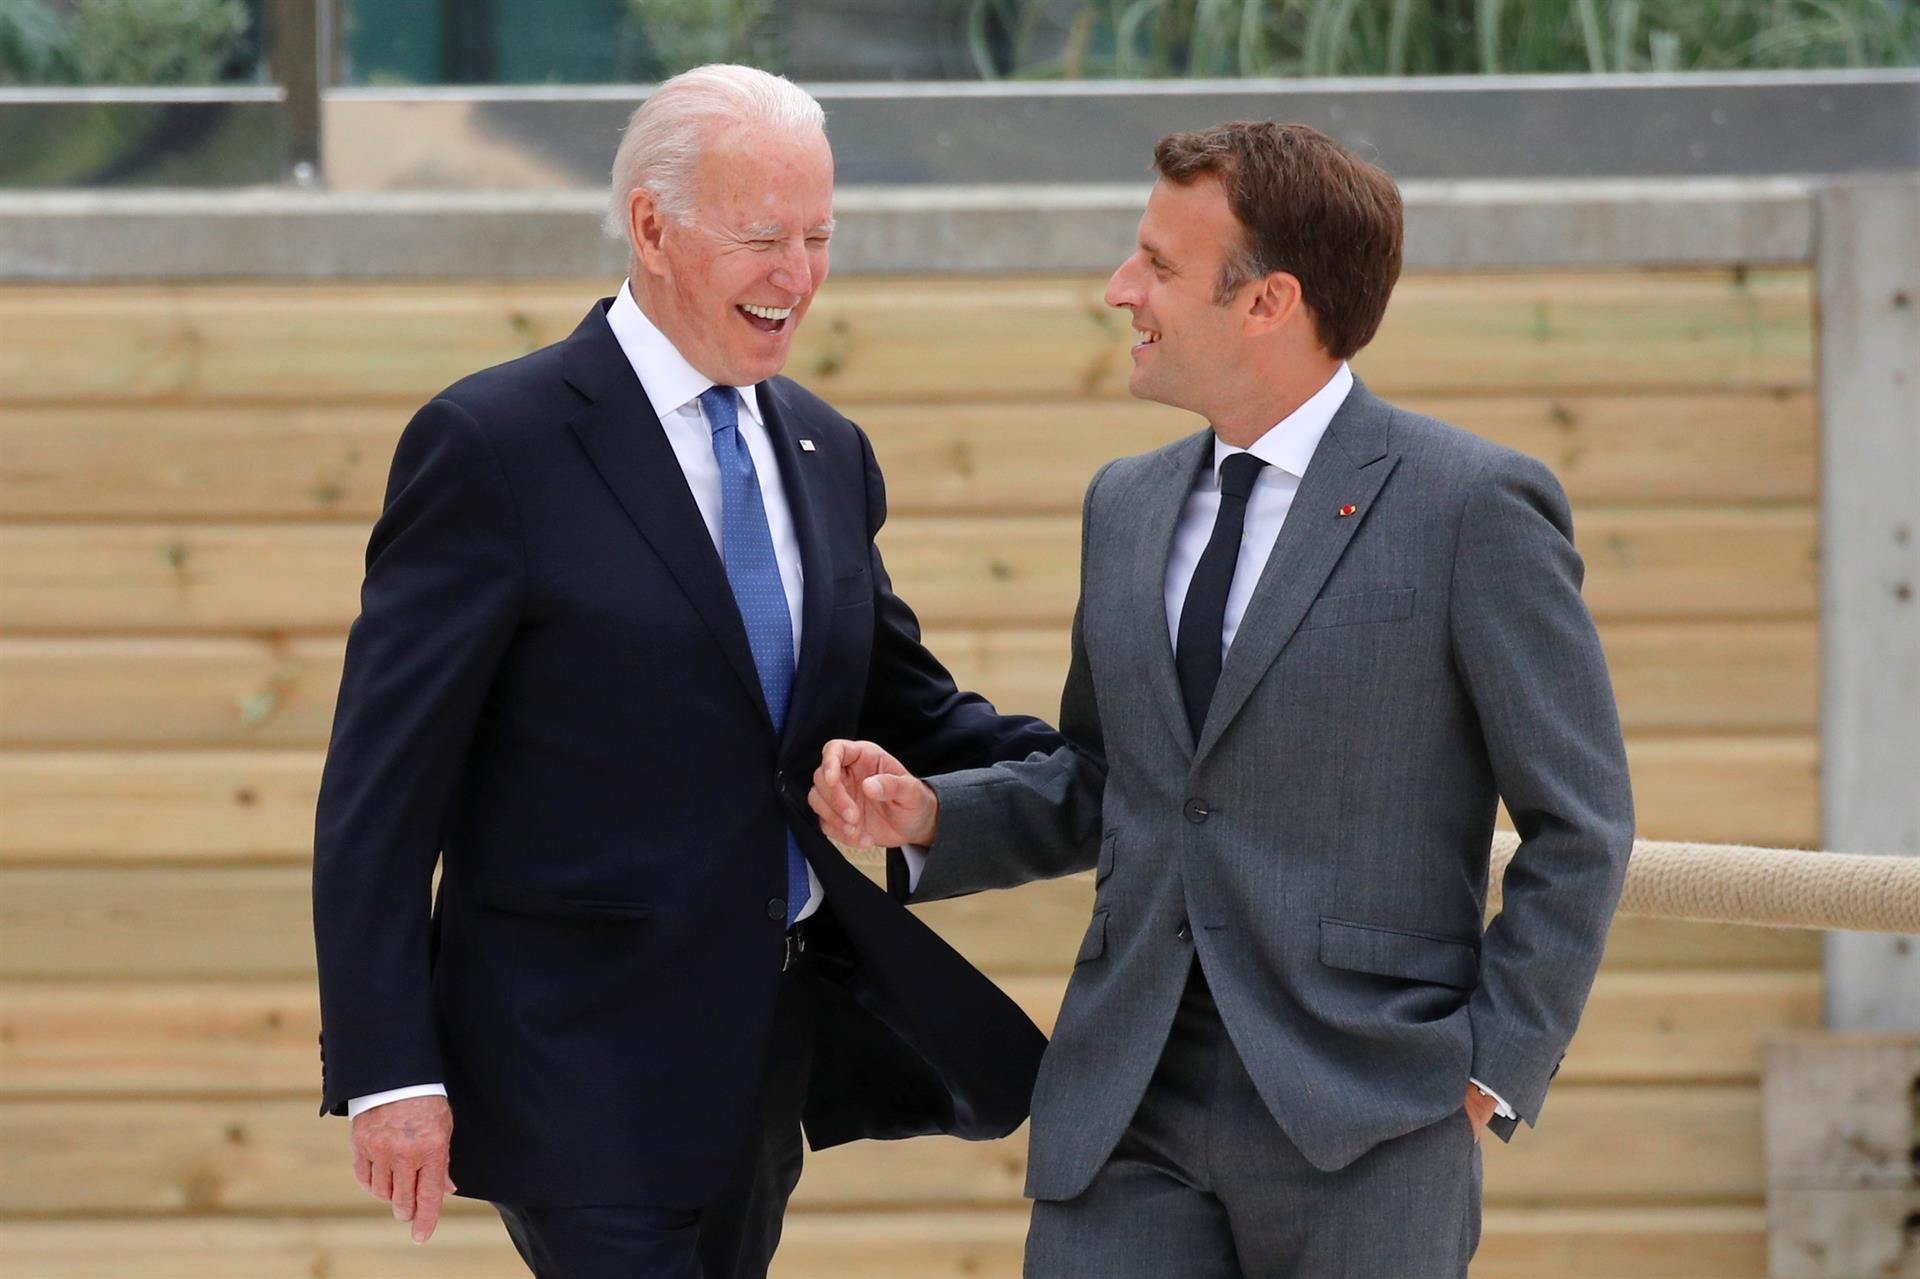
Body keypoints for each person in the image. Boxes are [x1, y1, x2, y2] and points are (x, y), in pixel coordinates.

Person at [811, 121, 1635, 1278]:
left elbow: (1582, 823)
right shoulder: (1126, 504)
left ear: (1268, 302)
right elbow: (1109, 778)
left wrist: (1495, 1064)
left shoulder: (1473, 507)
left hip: (1367, 1107)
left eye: (1156, 264)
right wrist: (933, 817)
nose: (1119, 288)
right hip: (1124, 1094)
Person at [311, 63, 1060, 1279]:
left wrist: (1129, 755)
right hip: (575, 1060)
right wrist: (393, 1069)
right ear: (652, 228)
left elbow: (912, 706)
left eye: (819, 236)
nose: (799, 276)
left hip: (763, 1052)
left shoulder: (825, 447)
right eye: (763, 238)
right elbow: (379, 794)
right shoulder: (494, 446)